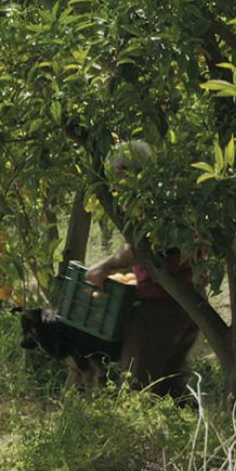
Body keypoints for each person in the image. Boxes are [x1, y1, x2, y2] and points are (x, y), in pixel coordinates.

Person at [84, 140, 202, 401]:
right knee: (173, 380)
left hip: (164, 302)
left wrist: (105, 266)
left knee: (138, 380)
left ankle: (137, 438)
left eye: (119, 174)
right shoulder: (167, 194)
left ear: (129, 170)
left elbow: (140, 249)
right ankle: (186, 432)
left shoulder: (150, 199)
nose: (116, 182)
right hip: (189, 300)